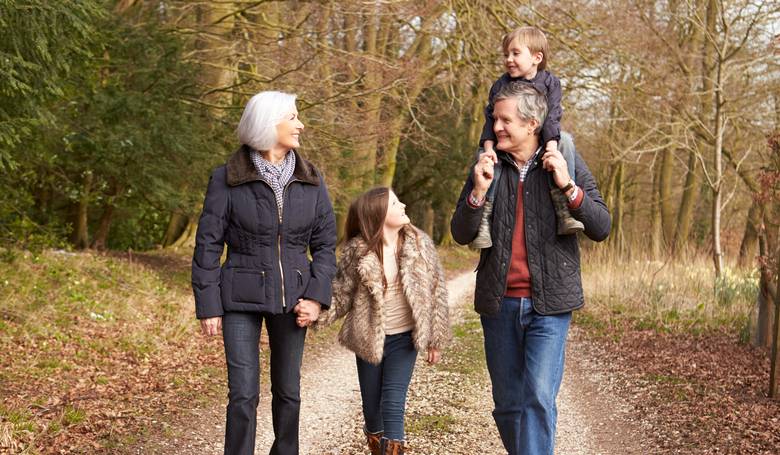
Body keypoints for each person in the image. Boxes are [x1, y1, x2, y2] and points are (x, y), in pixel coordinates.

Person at [450, 83, 610, 455]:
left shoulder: (565, 157)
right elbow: (460, 232)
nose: (497, 127)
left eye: (505, 120)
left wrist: (568, 186)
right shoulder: (487, 165)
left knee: (538, 397)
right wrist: (477, 191)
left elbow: (601, 226)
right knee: (508, 406)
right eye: (495, 119)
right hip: (499, 302)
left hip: (549, 305)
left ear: (532, 123)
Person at [191, 90, 337, 455]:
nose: (300, 123)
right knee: (243, 393)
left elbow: (325, 247)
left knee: (288, 392)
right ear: (268, 123)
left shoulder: (312, 179)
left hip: (295, 299)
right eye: (292, 116)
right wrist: (208, 304)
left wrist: (318, 298)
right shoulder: (227, 178)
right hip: (238, 298)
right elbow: (208, 244)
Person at [316, 187, 450, 455]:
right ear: (378, 214)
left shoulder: (419, 244)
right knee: (372, 409)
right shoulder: (358, 251)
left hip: (405, 339)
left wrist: (436, 338)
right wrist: (316, 315)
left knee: (392, 404)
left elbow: (437, 291)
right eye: (394, 203)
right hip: (369, 338)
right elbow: (341, 293)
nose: (402, 205)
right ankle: (376, 443)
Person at [471, 26, 583, 249]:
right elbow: (490, 119)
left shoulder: (551, 83)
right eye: (506, 55)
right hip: (506, 144)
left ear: (536, 57)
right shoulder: (501, 85)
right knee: (486, 158)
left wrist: (551, 147)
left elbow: (552, 116)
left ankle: (563, 204)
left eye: (515, 53)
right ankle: (485, 216)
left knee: (567, 141)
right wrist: (489, 147)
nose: (509, 59)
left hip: (543, 141)